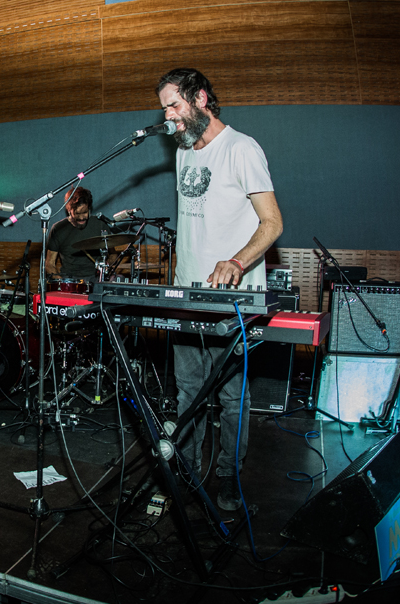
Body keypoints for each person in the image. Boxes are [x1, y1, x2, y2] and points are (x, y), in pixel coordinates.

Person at [157, 68, 284, 510]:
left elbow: (273, 222)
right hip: (186, 300)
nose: (168, 116)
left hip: (231, 302)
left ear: (200, 99)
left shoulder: (242, 148)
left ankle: (230, 480)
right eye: (164, 109)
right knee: (188, 394)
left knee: (232, 399)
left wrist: (237, 261)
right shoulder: (183, 152)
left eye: (174, 105)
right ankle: (189, 475)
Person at [45, 187, 110, 282]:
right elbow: (49, 265)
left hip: (96, 278)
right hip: (70, 279)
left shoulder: (100, 224)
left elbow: (113, 253)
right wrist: (63, 284)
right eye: (77, 213)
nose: (82, 217)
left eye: (85, 212)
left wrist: (108, 267)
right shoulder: (58, 229)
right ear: (69, 210)